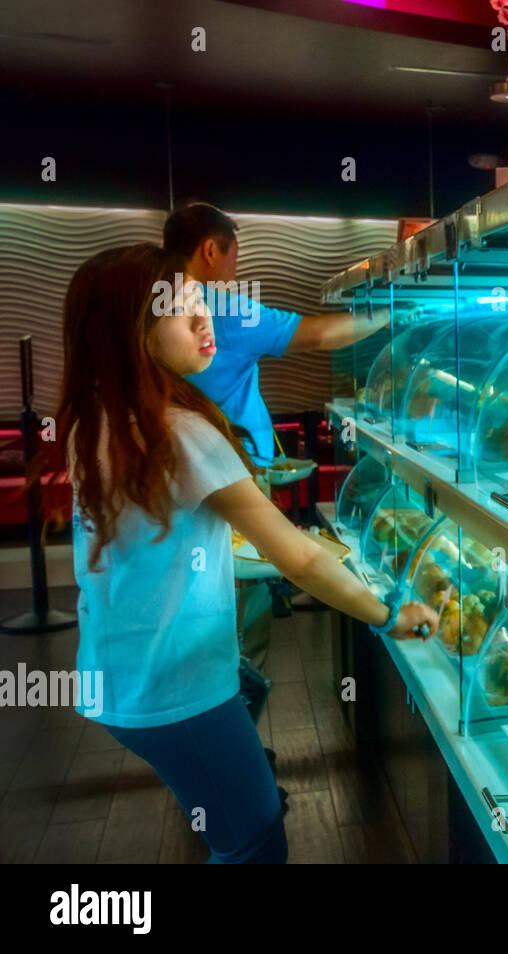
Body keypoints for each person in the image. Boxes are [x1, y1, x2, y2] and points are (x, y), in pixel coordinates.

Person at [54, 244, 438, 863]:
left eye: (200, 306)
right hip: (174, 687)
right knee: (254, 839)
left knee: (240, 764)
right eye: (183, 314)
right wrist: (391, 614)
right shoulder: (182, 434)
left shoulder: (94, 421)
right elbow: (300, 558)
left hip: (118, 674)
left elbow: (159, 544)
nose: (206, 323)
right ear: (133, 333)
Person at [161, 202, 399, 679]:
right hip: (232, 480)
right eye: (234, 257)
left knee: (196, 602)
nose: (235, 269)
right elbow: (321, 335)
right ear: (211, 249)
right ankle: (233, 724)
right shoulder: (223, 307)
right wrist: (398, 309)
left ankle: (207, 712)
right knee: (240, 616)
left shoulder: (153, 304)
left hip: (174, 487)